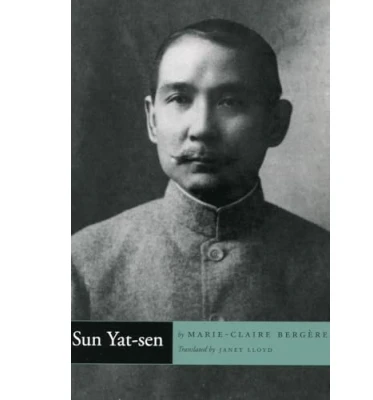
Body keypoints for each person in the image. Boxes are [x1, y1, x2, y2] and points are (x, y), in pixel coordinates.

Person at [72, 18, 329, 400]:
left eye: (231, 102)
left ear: (277, 123)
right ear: (152, 119)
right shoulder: (83, 264)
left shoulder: (330, 268)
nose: (202, 128)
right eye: (179, 99)